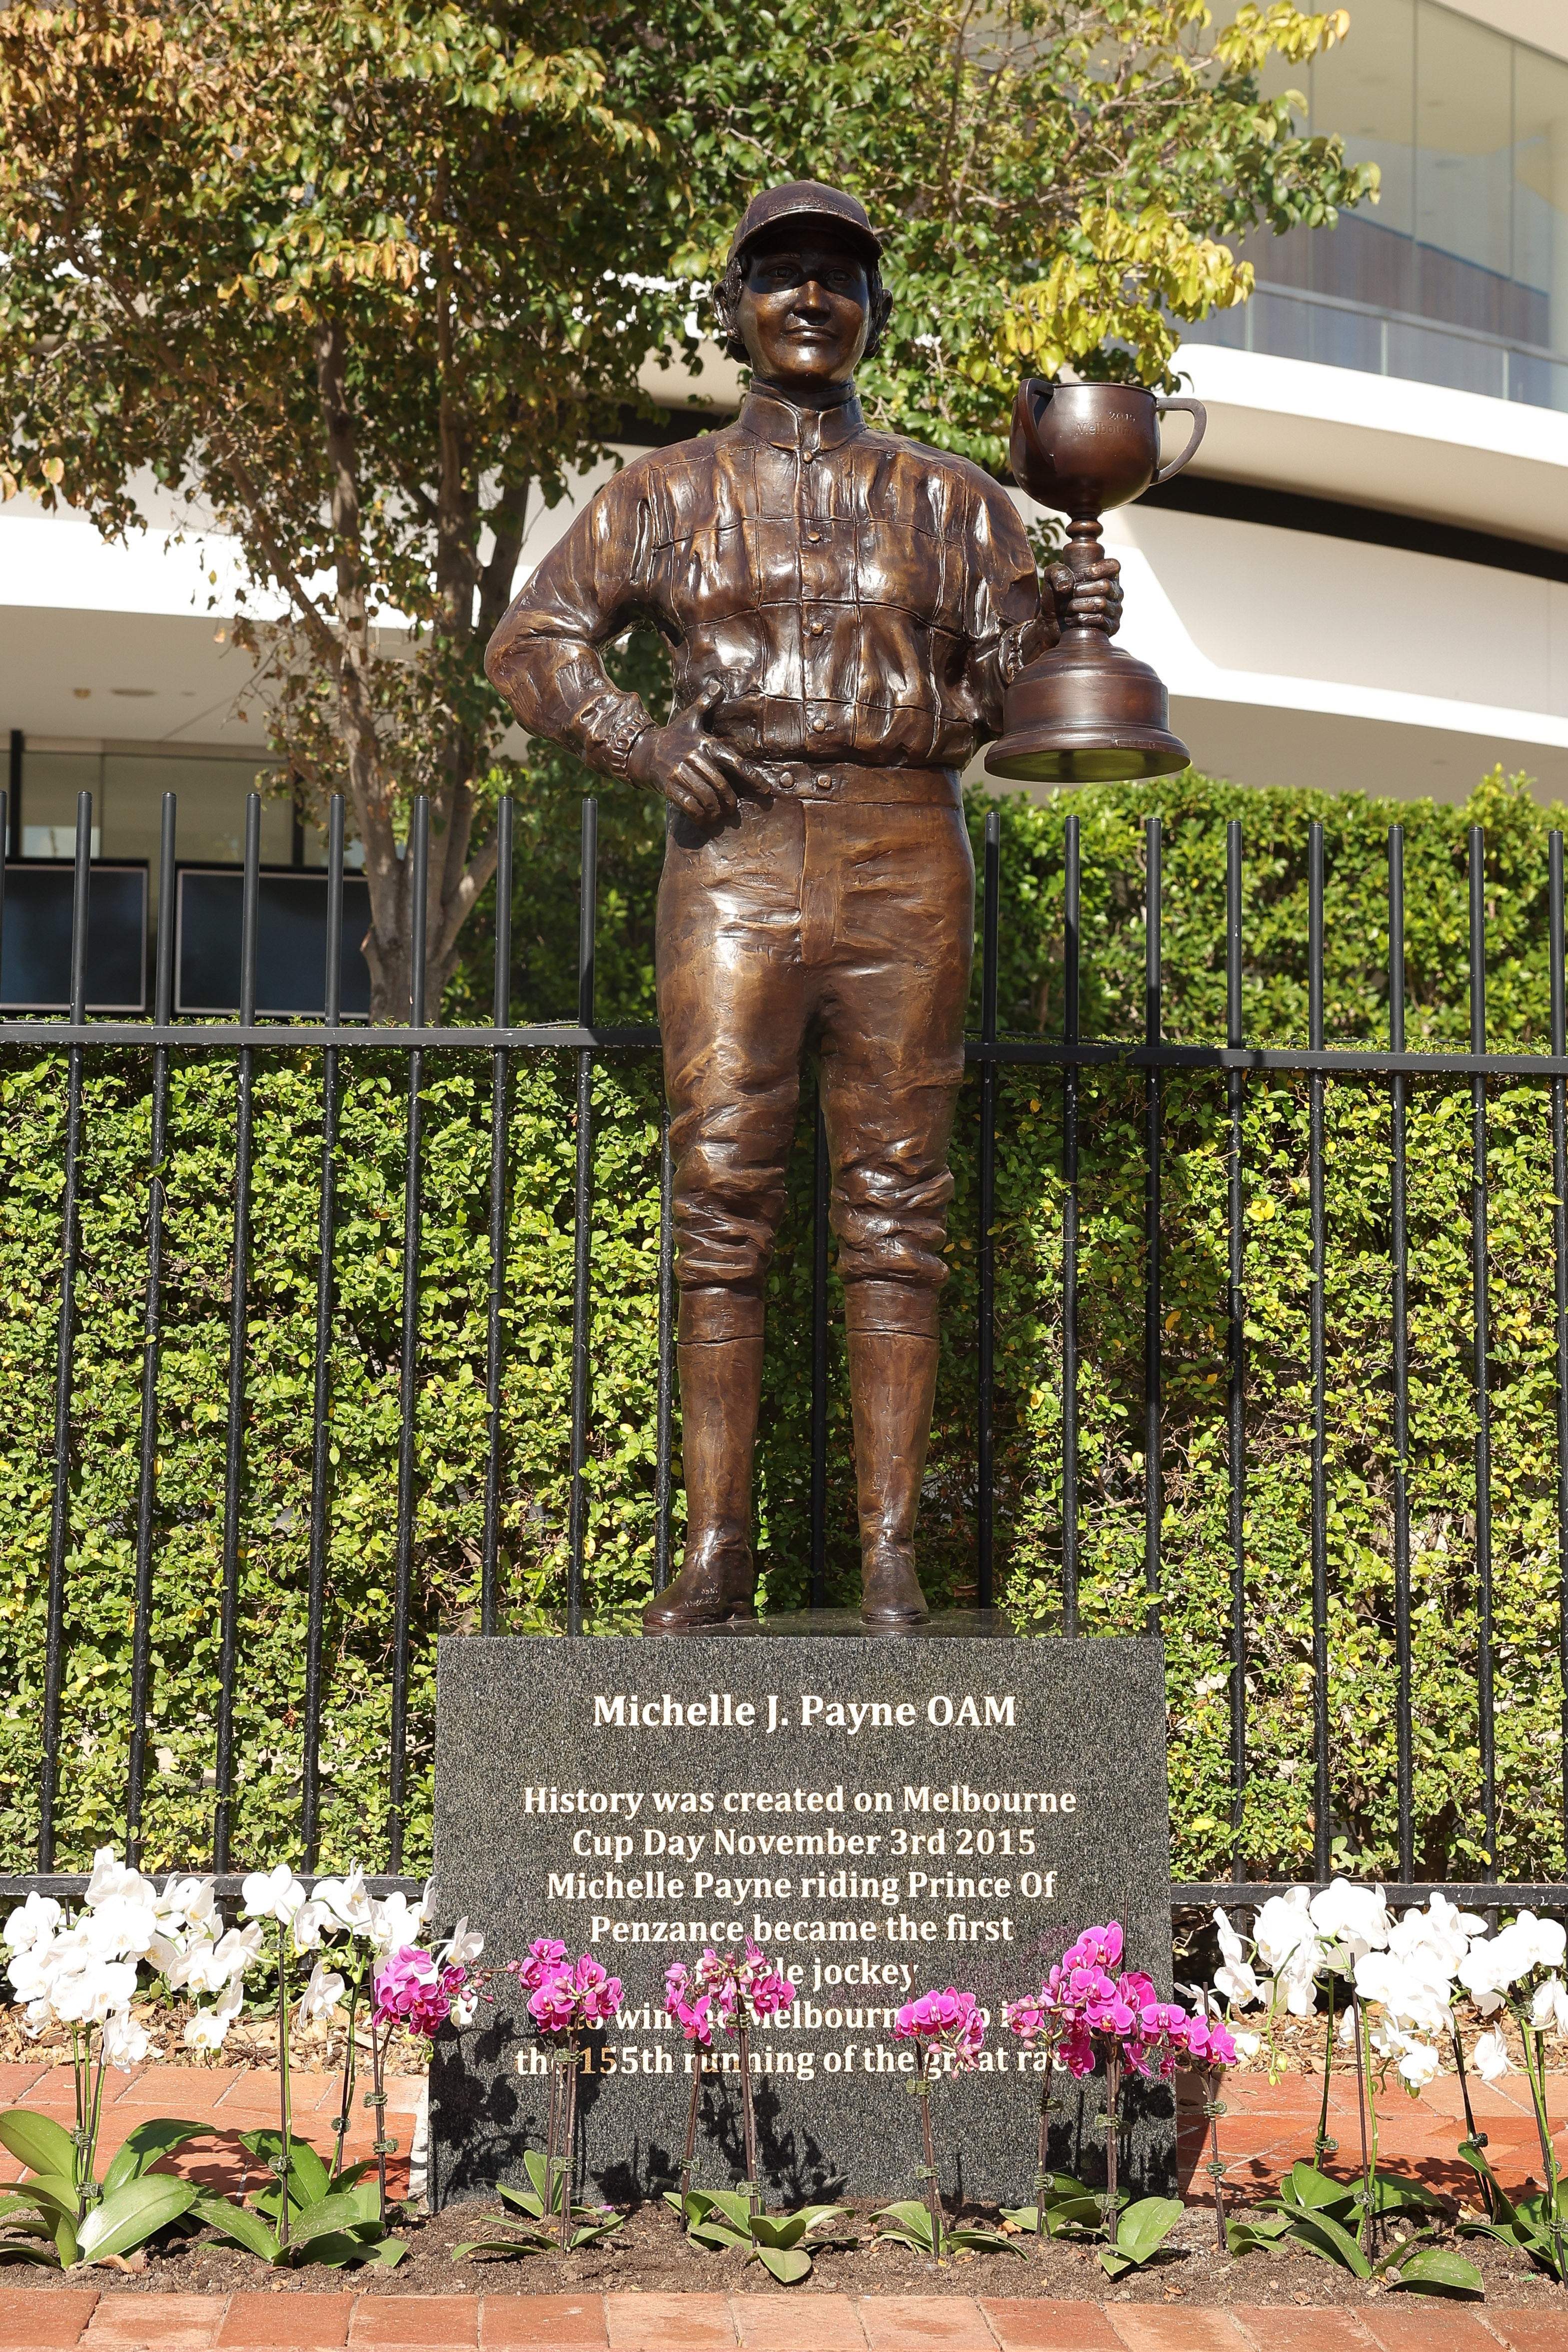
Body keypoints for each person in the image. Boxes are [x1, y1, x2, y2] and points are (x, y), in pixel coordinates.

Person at [486, 180, 1120, 1631]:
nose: (812, 300)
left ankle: (890, 1554)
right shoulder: (662, 493)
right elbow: (531, 642)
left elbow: (1012, 694)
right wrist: (639, 742)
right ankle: (715, 1552)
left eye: (838, 278)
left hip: (906, 846)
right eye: (782, 277)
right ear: (735, 312)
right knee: (721, 1196)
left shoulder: (954, 497)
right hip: (740, 850)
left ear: (873, 313)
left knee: (901, 1207)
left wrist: (1074, 617)